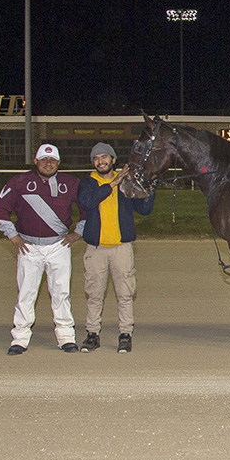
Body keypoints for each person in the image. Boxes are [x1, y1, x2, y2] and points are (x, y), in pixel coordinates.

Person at [0, 144, 84, 355]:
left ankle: (66, 337)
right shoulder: (19, 182)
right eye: (44, 159)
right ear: (36, 161)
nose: (48, 163)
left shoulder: (71, 183)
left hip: (59, 246)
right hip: (29, 247)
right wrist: (13, 236)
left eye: (52, 160)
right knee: (26, 293)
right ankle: (20, 338)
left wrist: (78, 232)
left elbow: (88, 210)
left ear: (59, 163)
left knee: (61, 293)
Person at [78, 142, 157, 354]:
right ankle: (92, 333)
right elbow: (87, 202)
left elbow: (144, 209)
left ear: (113, 160)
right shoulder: (88, 183)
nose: (100, 161)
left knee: (125, 293)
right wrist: (113, 183)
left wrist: (149, 187)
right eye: (96, 158)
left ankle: (125, 334)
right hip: (96, 249)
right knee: (95, 294)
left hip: (122, 248)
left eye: (104, 157)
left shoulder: (126, 184)